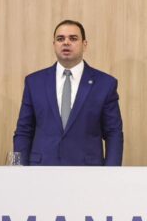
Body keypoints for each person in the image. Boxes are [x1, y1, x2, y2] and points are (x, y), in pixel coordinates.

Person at [13, 20, 123, 166]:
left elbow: (113, 133)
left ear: (84, 44)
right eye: (60, 39)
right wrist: (19, 170)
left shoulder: (105, 84)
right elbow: (24, 130)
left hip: (88, 171)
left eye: (73, 38)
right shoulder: (34, 82)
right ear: (54, 45)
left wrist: (111, 173)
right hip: (41, 170)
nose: (66, 42)